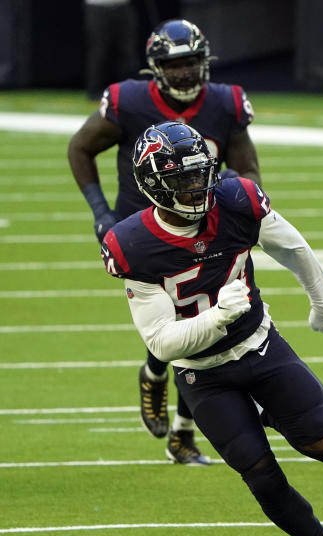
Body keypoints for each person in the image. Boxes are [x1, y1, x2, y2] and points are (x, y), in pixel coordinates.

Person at [100, 121, 323, 536]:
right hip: (201, 373)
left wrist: (322, 302)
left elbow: (292, 246)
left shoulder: (237, 200)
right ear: (154, 186)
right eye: (181, 181)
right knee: (261, 476)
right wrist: (219, 316)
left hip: (260, 347)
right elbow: (161, 343)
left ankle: (266, 411)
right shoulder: (131, 244)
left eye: (200, 176)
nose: (196, 189)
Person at [68, 18, 261, 465]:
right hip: (144, 233)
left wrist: (233, 193)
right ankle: (167, 397)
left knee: (204, 321)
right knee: (180, 324)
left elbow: (249, 171)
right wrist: (101, 213)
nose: (185, 72)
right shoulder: (128, 102)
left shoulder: (225, 103)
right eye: (174, 64)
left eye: (192, 61)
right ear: (155, 68)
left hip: (208, 228)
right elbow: (80, 148)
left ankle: (177, 421)